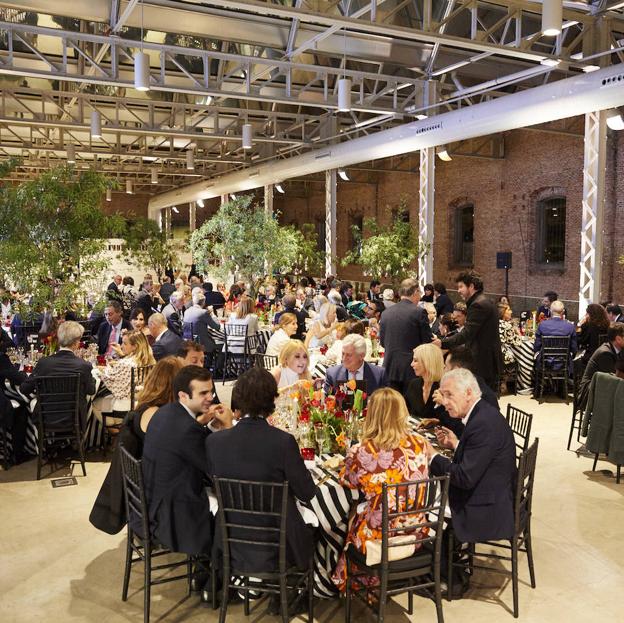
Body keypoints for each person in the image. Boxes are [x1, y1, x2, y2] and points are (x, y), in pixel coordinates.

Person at [205, 367, 317, 575]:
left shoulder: (214, 442)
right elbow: (307, 492)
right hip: (278, 542)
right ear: (271, 401)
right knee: (318, 525)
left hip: (231, 537)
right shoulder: (283, 442)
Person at [332, 388, 429, 592]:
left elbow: (347, 480)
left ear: (372, 414)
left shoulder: (363, 451)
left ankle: (350, 583)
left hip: (379, 539)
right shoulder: (421, 444)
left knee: (347, 519)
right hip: (416, 533)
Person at [142, 366, 233, 555]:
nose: (211, 397)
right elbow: (217, 469)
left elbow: (191, 442)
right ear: (183, 395)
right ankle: (215, 574)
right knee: (232, 505)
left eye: (211, 391)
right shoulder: (186, 429)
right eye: (203, 393)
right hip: (175, 512)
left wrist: (207, 424)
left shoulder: (166, 412)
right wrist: (228, 428)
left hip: (153, 499)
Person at [424, 368, 516, 545]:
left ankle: (436, 565)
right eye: (443, 395)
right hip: (491, 490)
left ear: (468, 393)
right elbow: (483, 455)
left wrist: (433, 456)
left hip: (486, 508)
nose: (444, 402)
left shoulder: (483, 424)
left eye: (449, 395)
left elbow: (464, 478)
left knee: (422, 506)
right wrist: (456, 444)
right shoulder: (482, 413)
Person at [433, 271, 502, 391]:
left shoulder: (478, 304)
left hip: (483, 362)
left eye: (461, 287)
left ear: (471, 286)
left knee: (482, 400)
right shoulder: (484, 301)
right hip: (487, 360)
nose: (458, 290)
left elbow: (467, 334)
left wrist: (442, 342)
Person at [21, 321, 96, 427]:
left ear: (59, 340)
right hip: (75, 421)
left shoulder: (44, 363)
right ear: (76, 342)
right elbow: (91, 390)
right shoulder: (84, 366)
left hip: (45, 419)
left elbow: (24, 389)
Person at [379, 278, 432, 394]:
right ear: (415, 292)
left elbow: (382, 342)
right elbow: (427, 342)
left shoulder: (385, 313)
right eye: (419, 293)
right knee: (410, 408)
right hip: (412, 370)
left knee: (393, 408)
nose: (420, 297)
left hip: (389, 367)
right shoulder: (419, 312)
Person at [93, 331, 156, 424]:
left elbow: (110, 379)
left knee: (94, 403)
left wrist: (98, 371)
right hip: (140, 402)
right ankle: (118, 430)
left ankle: (115, 432)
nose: (121, 346)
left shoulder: (126, 363)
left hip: (124, 404)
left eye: (125, 343)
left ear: (135, 346)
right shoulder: (149, 361)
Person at [578, 323, 624, 410]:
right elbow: (614, 380)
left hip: (600, 388)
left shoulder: (617, 349)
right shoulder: (605, 353)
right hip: (589, 394)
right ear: (618, 339)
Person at [534, 299, 577, 367]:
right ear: (563, 312)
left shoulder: (542, 325)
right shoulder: (570, 326)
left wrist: (537, 355)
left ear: (550, 310)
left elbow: (537, 346)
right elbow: (574, 348)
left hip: (544, 362)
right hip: (564, 362)